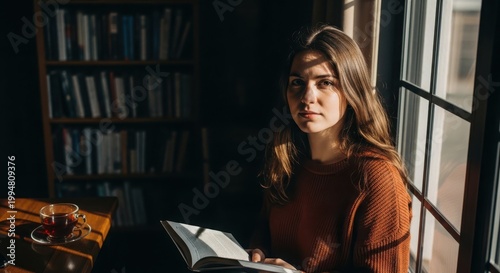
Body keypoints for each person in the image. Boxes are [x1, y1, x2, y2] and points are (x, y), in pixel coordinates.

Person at [247, 24, 412, 273]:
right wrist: (258, 251)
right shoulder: (287, 159)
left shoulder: (377, 178)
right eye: (297, 82)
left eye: (325, 82)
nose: (307, 97)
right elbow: (265, 229)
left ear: (351, 91)